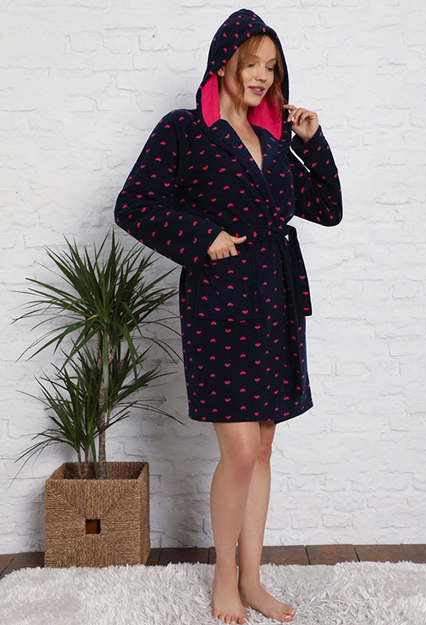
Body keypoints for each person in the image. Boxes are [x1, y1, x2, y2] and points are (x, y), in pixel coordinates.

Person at [114, 8, 342, 624]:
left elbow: (327, 208)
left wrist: (312, 140)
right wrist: (202, 235)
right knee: (239, 452)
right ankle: (223, 578)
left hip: (277, 302)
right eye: (251, 63)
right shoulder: (185, 130)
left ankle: (253, 579)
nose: (262, 75)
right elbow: (133, 204)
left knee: (262, 450)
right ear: (224, 62)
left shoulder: (276, 142)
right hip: (219, 303)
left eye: (272, 66)